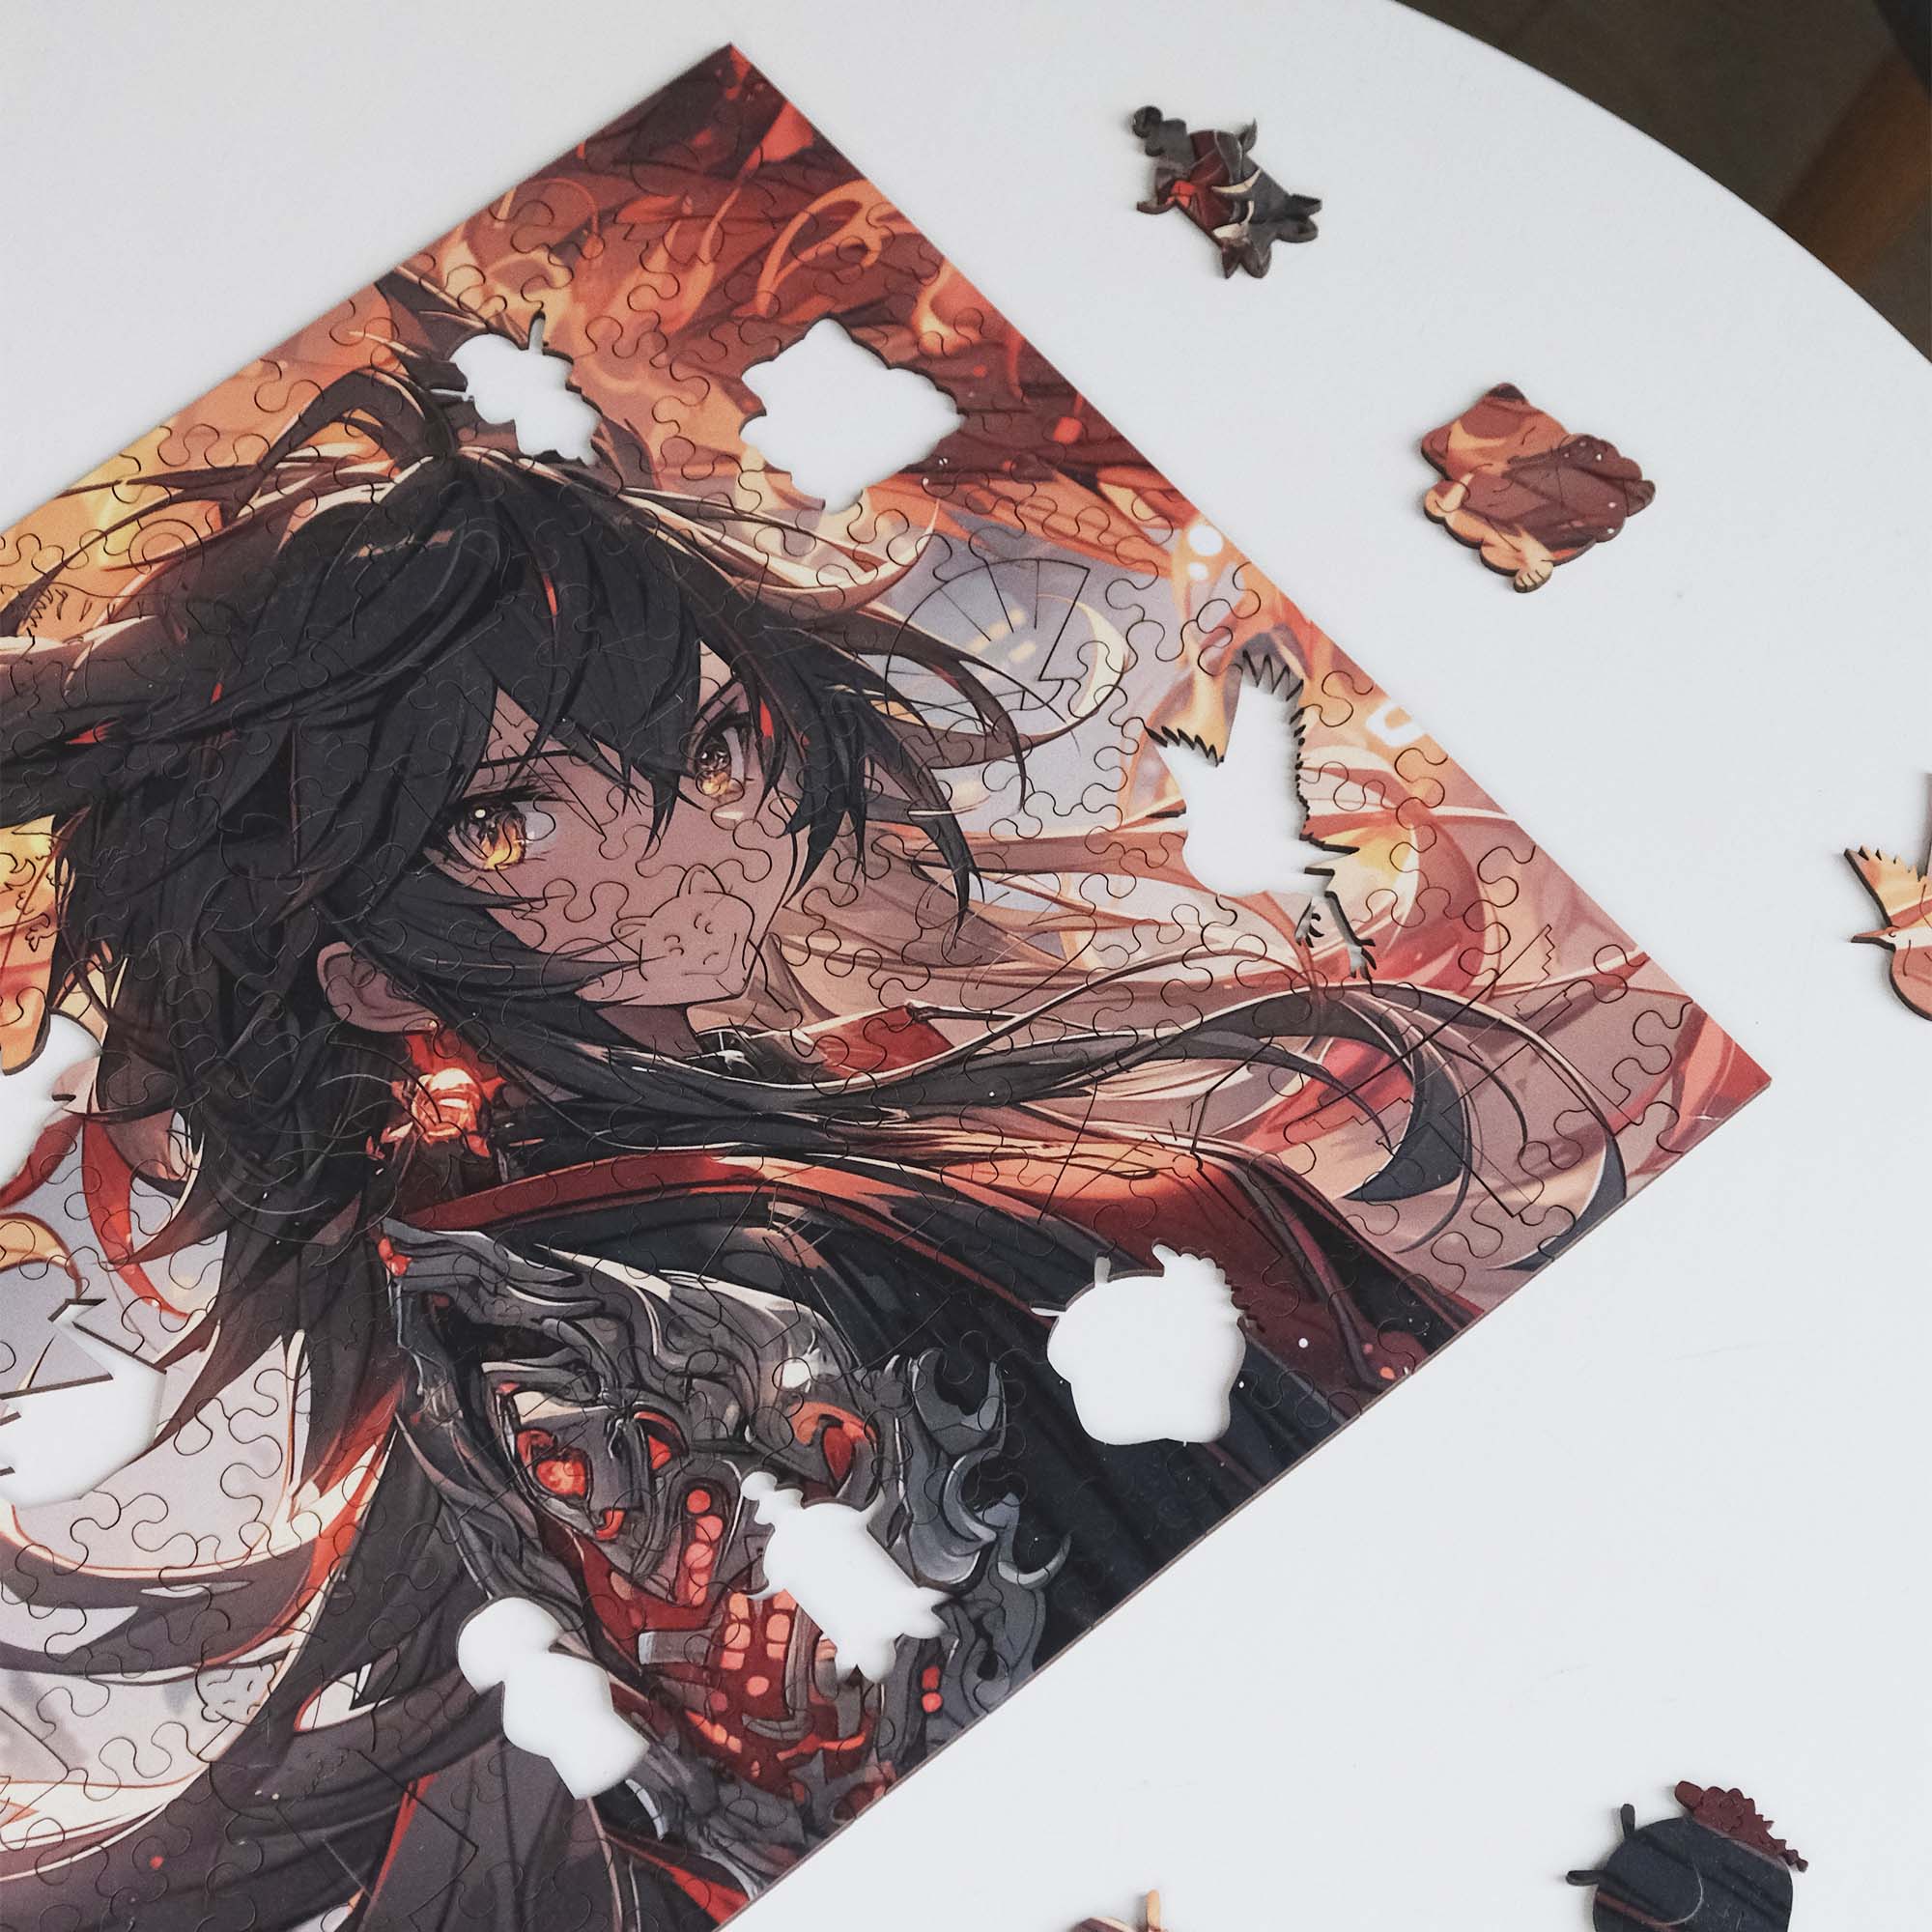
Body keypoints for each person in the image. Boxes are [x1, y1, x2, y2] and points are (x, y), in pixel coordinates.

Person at [0, 361, 1607, 1928]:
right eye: (512, 821)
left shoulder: (752, 1145)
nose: (681, 842)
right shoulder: (608, 1319)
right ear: (370, 975)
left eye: (706, 750)